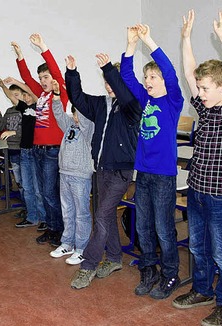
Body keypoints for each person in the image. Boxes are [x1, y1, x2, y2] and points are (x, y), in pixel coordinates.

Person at [172, 10, 222, 326]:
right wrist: (186, 38)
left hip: (220, 197)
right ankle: (202, 290)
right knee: (197, 246)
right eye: (200, 89)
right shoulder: (204, 112)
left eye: (205, 89)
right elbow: (190, 73)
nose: (199, 93)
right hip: (198, 190)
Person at [120, 23, 184, 299]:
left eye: (153, 77)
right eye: (147, 77)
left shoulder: (173, 101)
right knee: (143, 226)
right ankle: (149, 270)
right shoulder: (145, 99)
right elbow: (126, 75)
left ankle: (171, 274)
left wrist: (149, 40)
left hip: (163, 175)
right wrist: (131, 45)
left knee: (163, 228)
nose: (148, 81)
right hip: (143, 173)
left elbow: (170, 72)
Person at [65, 53, 141, 286]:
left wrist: (109, 68)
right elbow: (76, 97)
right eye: (106, 81)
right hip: (101, 169)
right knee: (105, 216)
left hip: (121, 171)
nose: (108, 85)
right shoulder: (100, 105)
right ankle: (115, 257)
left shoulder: (131, 106)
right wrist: (72, 73)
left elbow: (123, 92)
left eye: (112, 81)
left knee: (101, 215)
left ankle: (88, 265)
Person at [13, 34, 69, 246]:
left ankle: (59, 230)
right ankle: (51, 226)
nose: (43, 81)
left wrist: (43, 47)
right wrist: (20, 56)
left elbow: (56, 71)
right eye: (42, 78)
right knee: (45, 194)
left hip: (53, 150)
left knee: (50, 192)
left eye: (46, 77)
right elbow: (27, 78)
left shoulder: (59, 93)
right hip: (38, 149)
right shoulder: (42, 96)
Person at [47, 78, 94, 265]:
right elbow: (58, 113)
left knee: (81, 213)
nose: (75, 117)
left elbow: (83, 117)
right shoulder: (69, 126)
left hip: (80, 176)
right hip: (65, 173)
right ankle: (67, 243)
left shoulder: (88, 127)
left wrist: (76, 96)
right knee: (67, 211)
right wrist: (57, 95)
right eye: (74, 113)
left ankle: (82, 247)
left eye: (78, 113)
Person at [0, 76, 43, 229]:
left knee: (37, 189)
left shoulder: (39, 107)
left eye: (28, 94)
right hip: (24, 152)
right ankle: (32, 217)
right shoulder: (24, 109)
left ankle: (44, 219)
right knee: (27, 187)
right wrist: (3, 85)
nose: (27, 97)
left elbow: (32, 92)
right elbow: (11, 96)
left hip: (36, 152)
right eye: (25, 95)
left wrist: (17, 82)